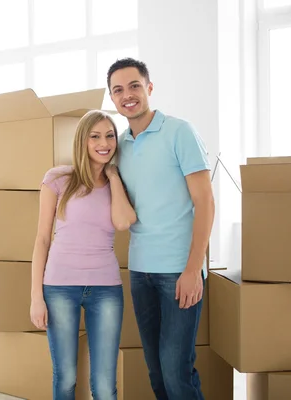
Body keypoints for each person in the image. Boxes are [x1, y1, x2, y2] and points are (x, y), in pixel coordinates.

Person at [106, 57, 215, 400]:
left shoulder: (179, 132)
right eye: (118, 90)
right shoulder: (119, 145)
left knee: (176, 371)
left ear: (149, 88)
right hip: (141, 272)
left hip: (178, 271)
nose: (128, 95)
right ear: (112, 98)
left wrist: (193, 269)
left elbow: (206, 204)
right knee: (156, 371)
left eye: (134, 86)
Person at [29, 109, 137, 400]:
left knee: (103, 384)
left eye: (110, 136)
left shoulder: (118, 184)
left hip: (106, 288)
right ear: (82, 141)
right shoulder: (58, 179)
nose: (104, 143)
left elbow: (124, 222)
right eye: (95, 136)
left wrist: (113, 176)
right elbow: (41, 240)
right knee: (65, 378)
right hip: (59, 286)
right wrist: (36, 298)